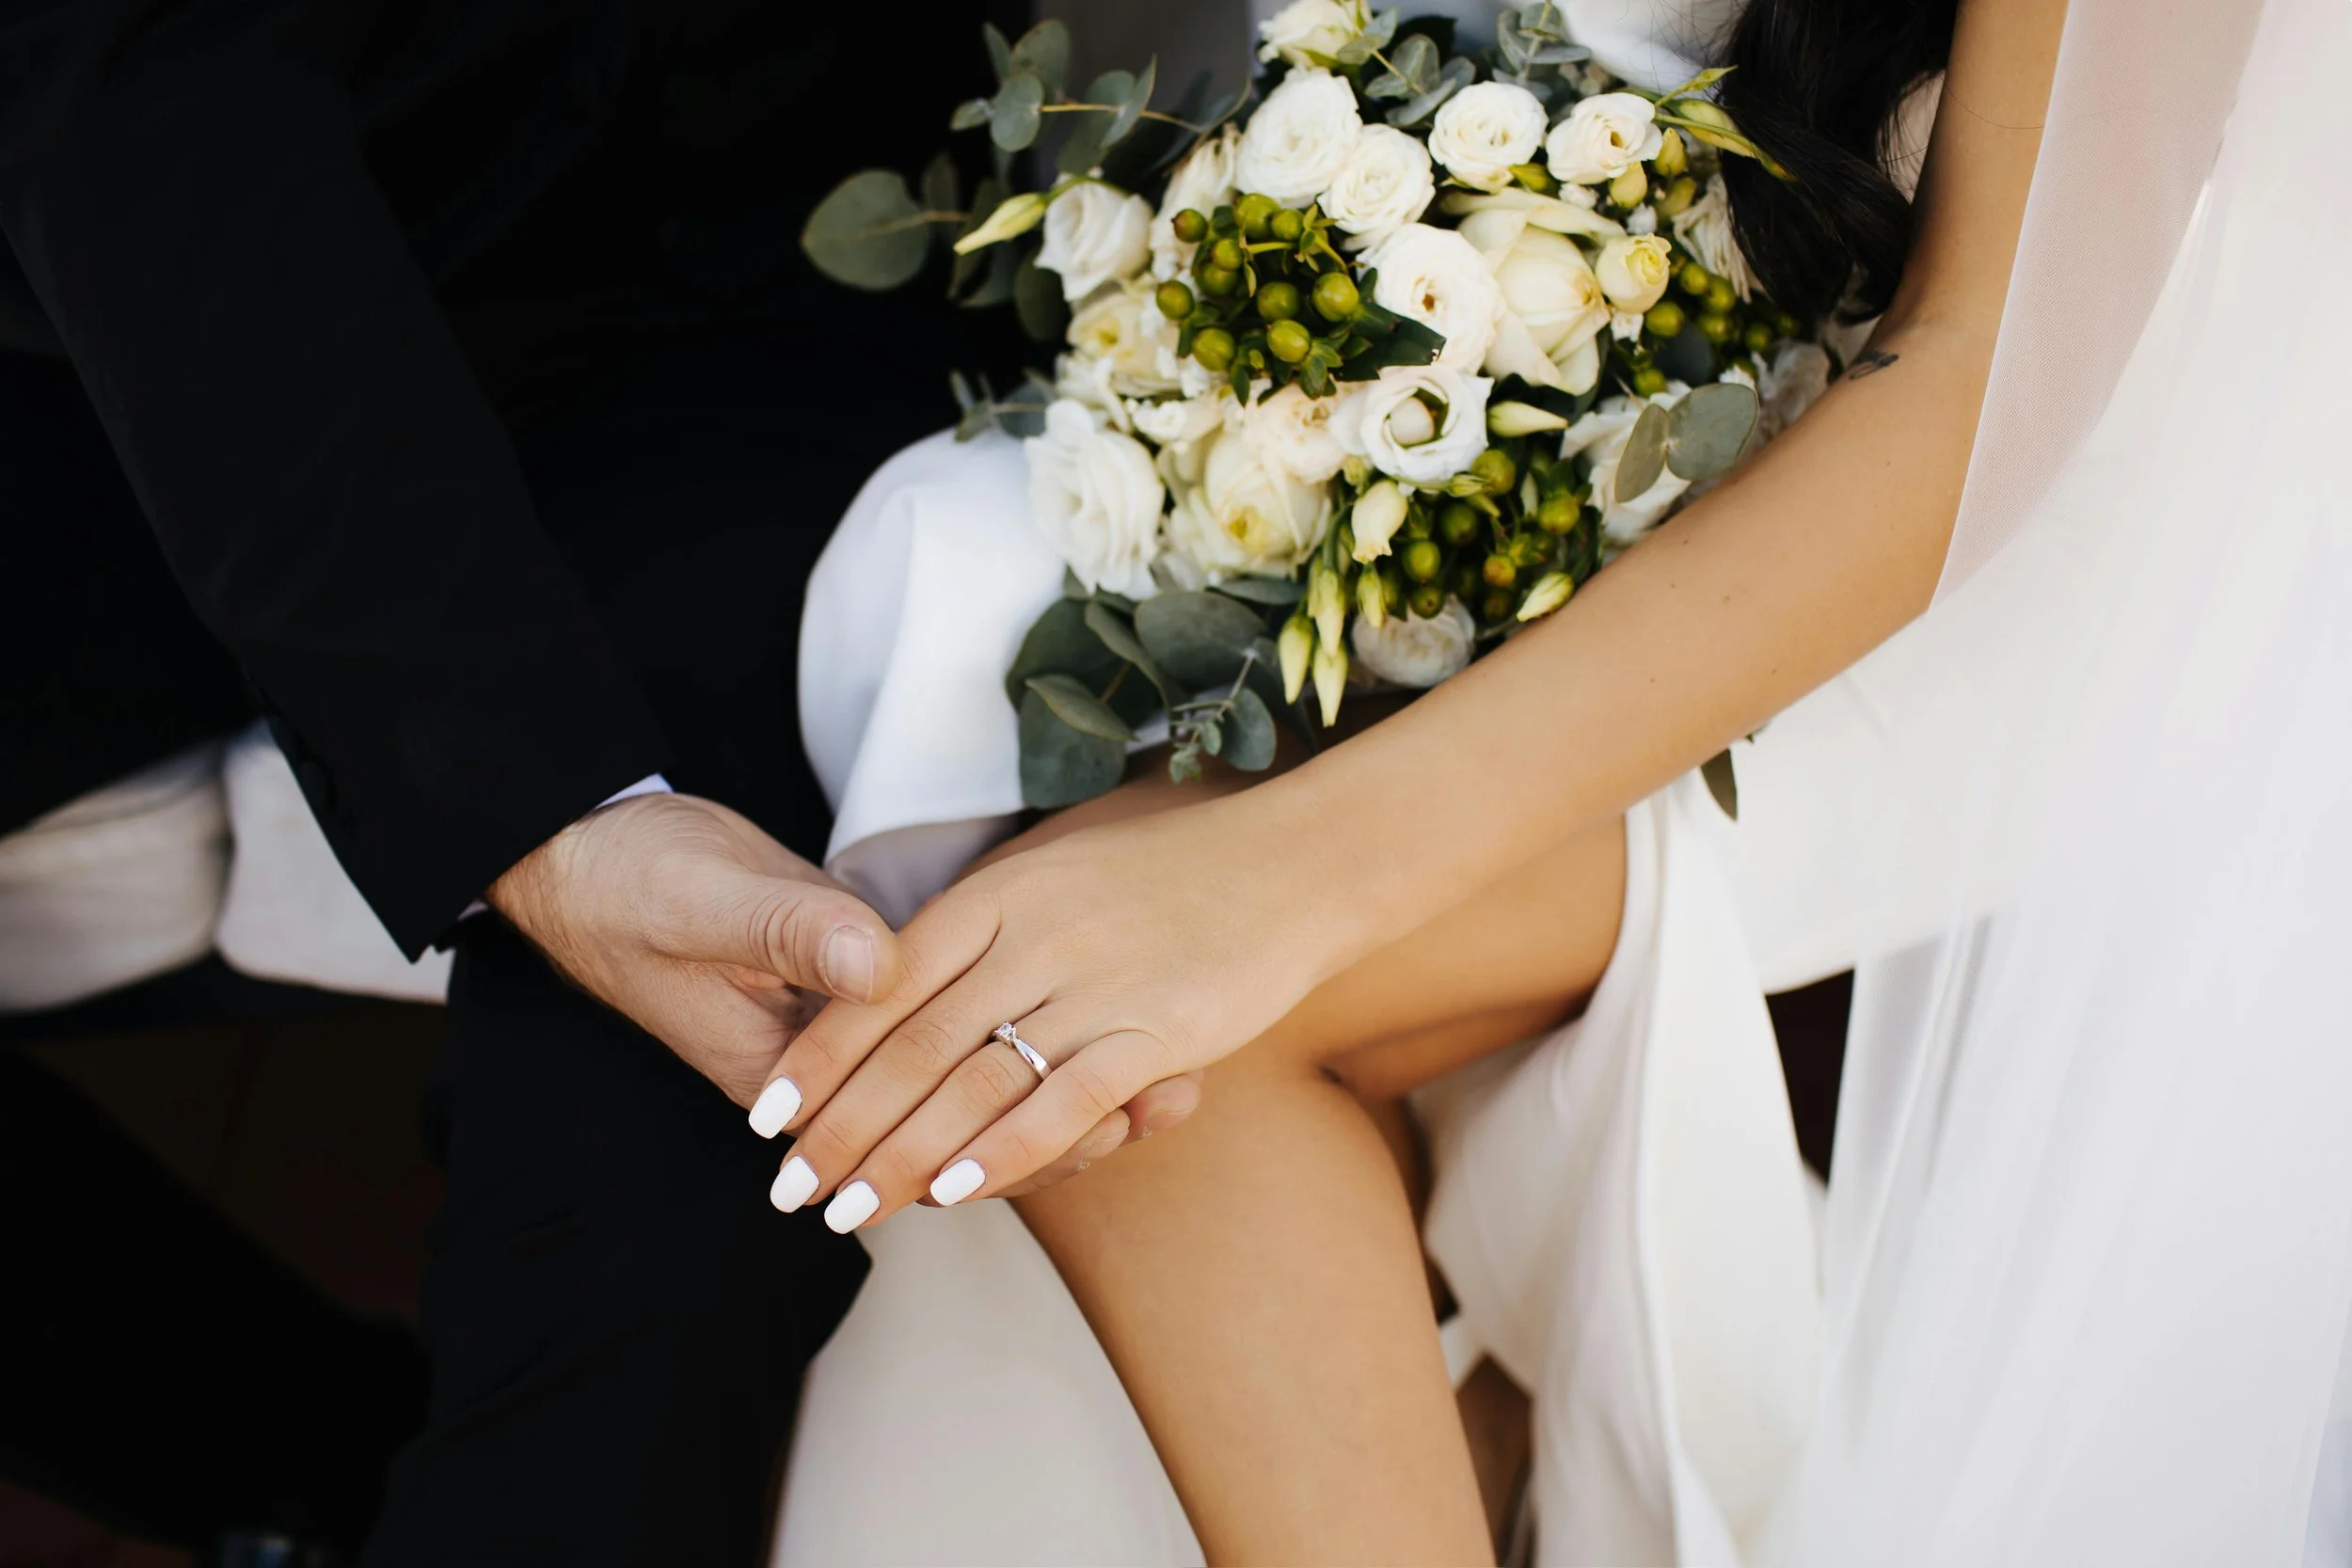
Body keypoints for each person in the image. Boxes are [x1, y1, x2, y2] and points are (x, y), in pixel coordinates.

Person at [766, 0, 2352, 1561]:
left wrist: (1271, 881)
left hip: (2003, 558)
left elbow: (1978, 372)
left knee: (1124, 1034)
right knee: (1001, 890)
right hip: (1561, 476)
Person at [0, 2, 1179, 1560]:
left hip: (765, 257)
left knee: (717, 1110)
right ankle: (300, 1474)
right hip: (116, 287)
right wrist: (547, 823)